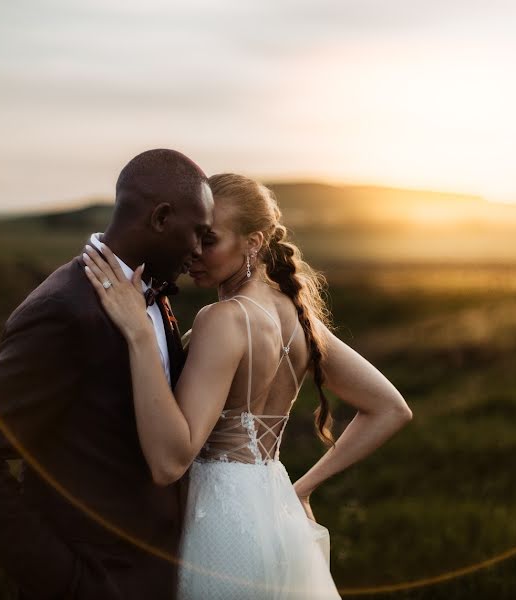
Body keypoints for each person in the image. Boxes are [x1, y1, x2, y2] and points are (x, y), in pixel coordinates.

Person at [82, 173, 413, 599]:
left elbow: (169, 462)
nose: (193, 253)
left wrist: (139, 335)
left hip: (218, 522)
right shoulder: (296, 316)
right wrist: (301, 489)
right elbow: (390, 407)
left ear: (253, 242)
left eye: (211, 240)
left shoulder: (223, 319)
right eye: (194, 237)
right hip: (274, 511)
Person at [0, 148, 214, 600]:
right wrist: (70, 584)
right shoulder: (63, 310)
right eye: (198, 233)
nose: (200, 250)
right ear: (162, 218)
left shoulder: (156, 295)